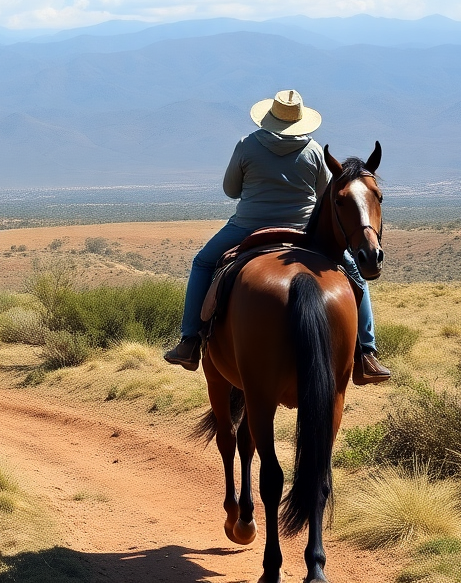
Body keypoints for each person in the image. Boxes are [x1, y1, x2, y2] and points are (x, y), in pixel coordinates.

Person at [163, 89, 391, 385]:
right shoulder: (313, 151)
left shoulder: (246, 145)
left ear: (269, 118)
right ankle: (368, 355)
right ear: (300, 121)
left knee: (203, 263)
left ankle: (190, 341)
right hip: (302, 230)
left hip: (247, 226)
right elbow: (325, 195)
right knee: (357, 277)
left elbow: (231, 190)